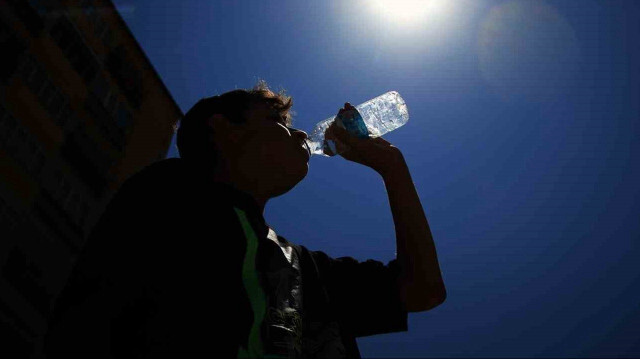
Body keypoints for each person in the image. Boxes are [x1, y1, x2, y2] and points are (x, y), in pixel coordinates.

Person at [43, 81, 446, 358]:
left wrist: (392, 167)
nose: (302, 133)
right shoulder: (173, 193)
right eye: (279, 124)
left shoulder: (302, 270)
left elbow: (422, 290)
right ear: (225, 130)